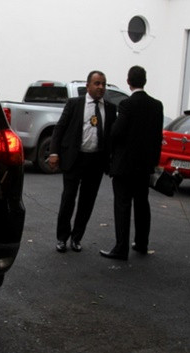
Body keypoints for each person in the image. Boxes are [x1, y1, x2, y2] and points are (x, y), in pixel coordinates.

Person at [47, 70, 116, 253]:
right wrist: (54, 152)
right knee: (68, 198)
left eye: (103, 83)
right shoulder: (75, 104)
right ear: (88, 86)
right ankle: (62, 238)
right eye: (97, 83)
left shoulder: (109, 108)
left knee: (87, 202)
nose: (101, 87)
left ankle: (77, 238)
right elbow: (60, 128)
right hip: (74, 159)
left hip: (96, 161)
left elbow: (111, 137)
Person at [100, 66, 163, 261]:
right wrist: (153, 161)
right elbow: (157, 136)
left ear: (129, 81)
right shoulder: (156, 105)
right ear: (144, 80)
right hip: (144, 165)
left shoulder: (127, 104)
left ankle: (121, 247)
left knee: (122, 205)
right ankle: (142, 242)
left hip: (125, 165)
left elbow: (117, 131)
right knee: (142, 204)